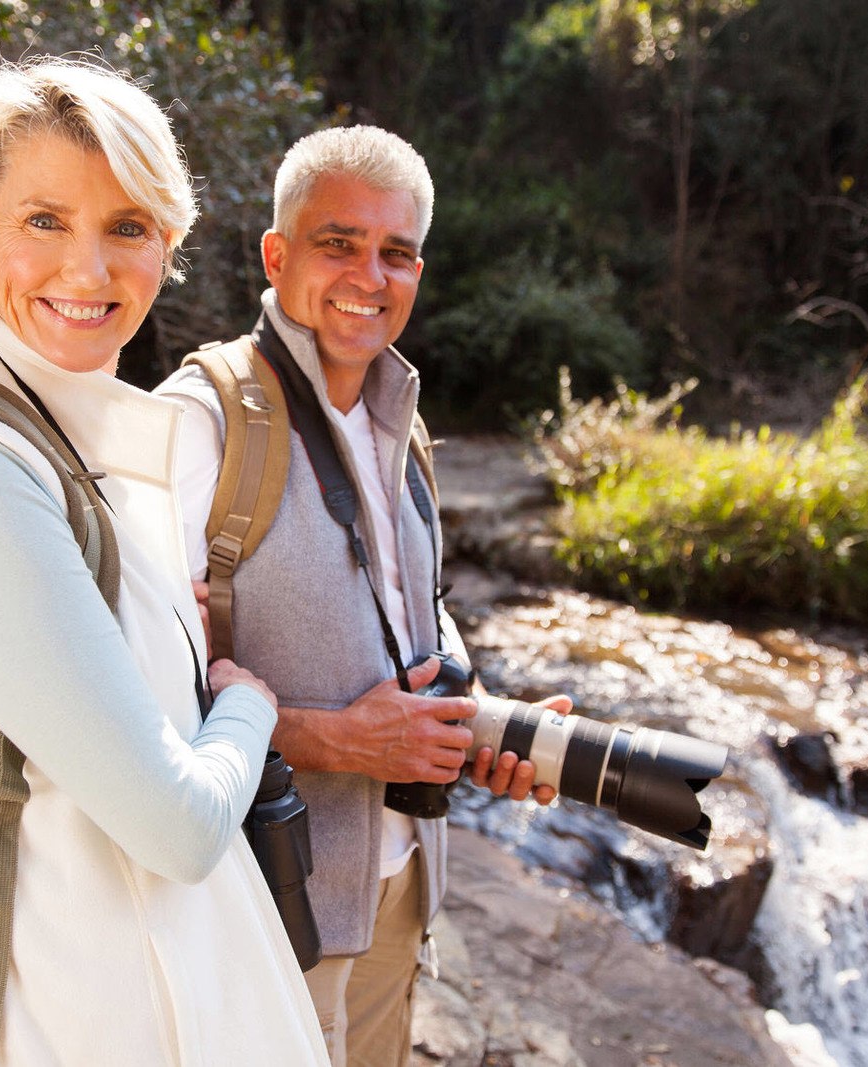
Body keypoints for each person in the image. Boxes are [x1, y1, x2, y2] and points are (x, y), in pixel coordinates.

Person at [0, 57, 328, 1064]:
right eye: (44, 220)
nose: (90, 269)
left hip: (175, 1004)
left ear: (167, 242)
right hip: (89, 1026)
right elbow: (180, 827)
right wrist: (248, 701)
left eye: (127, 226)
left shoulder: (74, 450)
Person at [158, 126, 571, 1066]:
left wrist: (474, 722)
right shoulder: (201, 423)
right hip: (270, 903)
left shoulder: (401, 418)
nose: (368, 276)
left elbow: (412, 615)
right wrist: (336, 739)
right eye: (338, 243)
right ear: (278, 253)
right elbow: (135, 690)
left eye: (396, 253)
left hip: (402, 888)